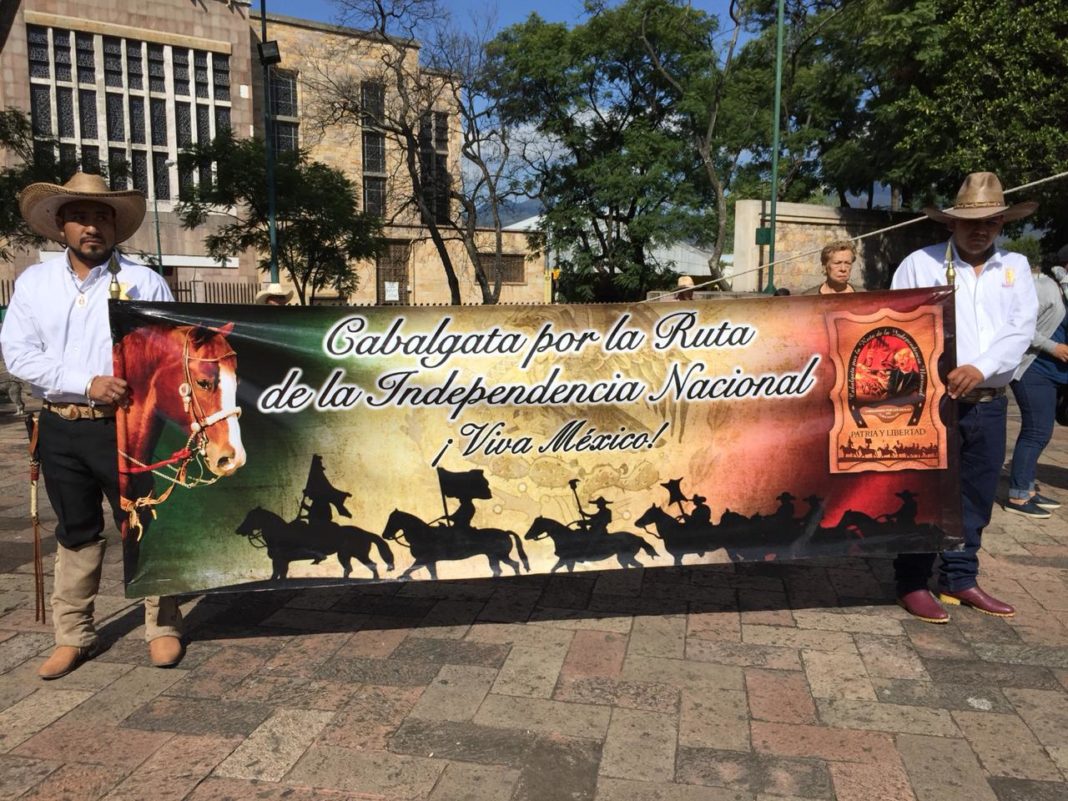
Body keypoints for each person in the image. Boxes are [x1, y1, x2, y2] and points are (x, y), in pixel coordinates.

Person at [0, 172, 185, 678]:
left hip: (126, 426)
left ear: (116, 227)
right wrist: (85, 383)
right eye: (81, 216)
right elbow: (18, 353)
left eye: (102, 216)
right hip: (60, 425)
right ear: (61, 225)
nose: (92, 227)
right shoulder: (35, 283)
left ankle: (163, 625)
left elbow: (167, 350)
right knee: (75, 530)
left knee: (144, 523)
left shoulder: (144, 281)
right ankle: (73, 634)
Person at [890, 171, 1038, 624]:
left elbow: (1021, 330)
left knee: (975, 493)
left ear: (1000, 226)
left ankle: (959, 576)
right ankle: (912, 579)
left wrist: (980, 368)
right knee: (923, 490)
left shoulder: (1015, 268)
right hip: (932, 401)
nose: (981, 229)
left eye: (992, 222)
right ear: (951, 223)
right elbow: (899, 325)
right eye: (972, 221)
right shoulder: (921, 263)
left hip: (990, 399)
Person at [1005, 257, 1068, 518]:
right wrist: (1053, 347)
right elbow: (1021, 326)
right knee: (1036, 431)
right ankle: (1018, 495)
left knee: (1042, 431)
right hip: (1034, 370)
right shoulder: (1045, 286)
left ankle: (1028, 488)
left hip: (1055, 373)